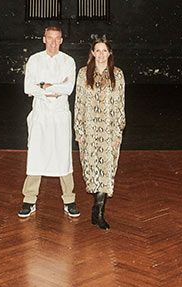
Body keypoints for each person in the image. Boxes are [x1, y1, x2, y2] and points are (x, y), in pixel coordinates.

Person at [18, 25, 80, 219]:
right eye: (50, 38)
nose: (53, 42)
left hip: (60, 115)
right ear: (44, 39)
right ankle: (29, 200)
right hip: (41, 115)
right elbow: (28, 87)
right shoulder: (34, 60)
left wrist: (44, 84)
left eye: (57, 38)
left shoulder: (68, 61)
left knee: (63, 155)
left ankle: (69, 200)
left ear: (61, 40)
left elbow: (68, 88)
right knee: (36, 154)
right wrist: (53, 87)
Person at [74, 35, 125, 230]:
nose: (101, 54)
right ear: (93, 53)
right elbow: (78, 103)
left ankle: (99, 210)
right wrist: (79, 130)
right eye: (98, 51)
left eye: (105, 51)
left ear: (109, 53)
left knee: (107, 171)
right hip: (89, 130)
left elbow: (121, 104)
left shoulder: (117, 74)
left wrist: (118, 132)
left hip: (109, 131)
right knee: (92, 170)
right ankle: (97, 206)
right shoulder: (83, 73)